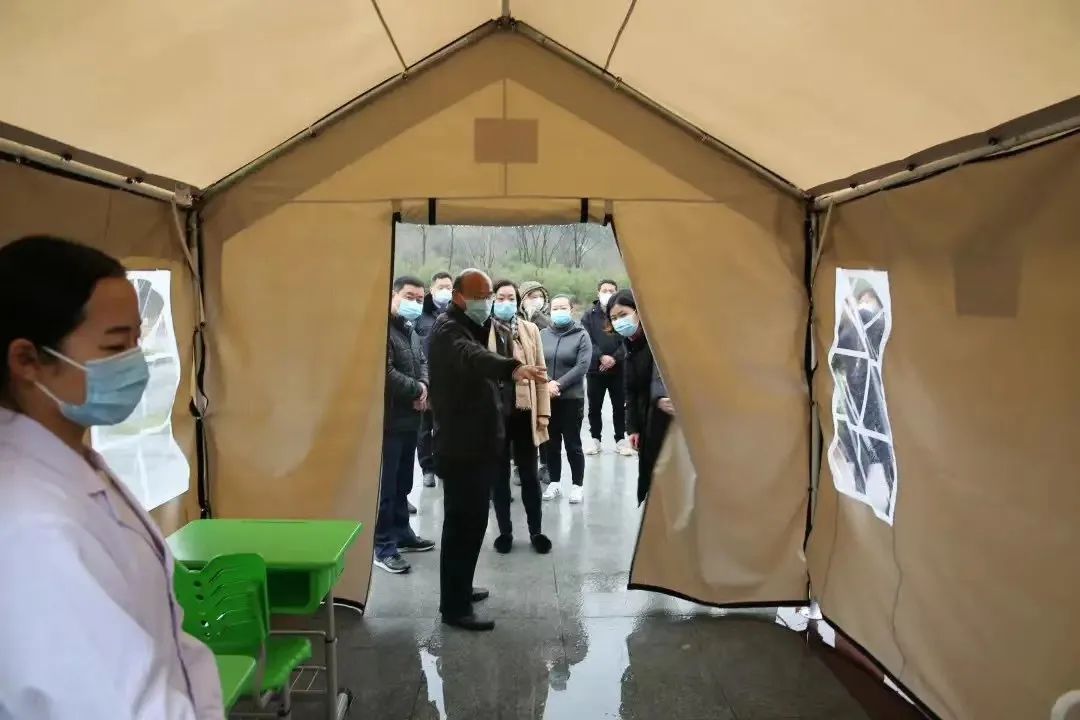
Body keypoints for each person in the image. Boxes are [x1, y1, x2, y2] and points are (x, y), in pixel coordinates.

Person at [0, 235, 224, 718]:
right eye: (116, 345)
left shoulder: (74, 463)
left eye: (137, 342)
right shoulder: (32, 526)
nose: (135, 362)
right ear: (27, 360)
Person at [427, 269, 548, 631]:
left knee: (473, 523)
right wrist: (513, 367)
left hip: (475, 445)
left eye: (489, 295)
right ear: (459, 297)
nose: (487, 301)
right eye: (480, 295)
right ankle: (455, 608)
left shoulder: (470, 324)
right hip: (461, 448)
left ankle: (461, 589)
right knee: (462, 527)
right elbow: (475, 358)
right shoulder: (449, 330)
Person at [375, 276, 438, 575]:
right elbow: (384, 371)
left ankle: (402, 533)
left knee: (403, 483)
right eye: (409, 296)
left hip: (410, 420)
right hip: (389, 421)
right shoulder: (381, 330)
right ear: (393, 295)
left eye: (419, 298)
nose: (414, 303)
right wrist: (416, 390)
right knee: (386, 488)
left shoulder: (409, 331)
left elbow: (422, 361)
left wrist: (423, 386)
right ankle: (383, 545)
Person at [489, 280, 553, 554]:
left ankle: (536, 531)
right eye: (500, 297)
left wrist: (543, 412)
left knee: (529, 475)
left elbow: (541, 373)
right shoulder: (482, 330)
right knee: (498, 477)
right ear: (492, 299)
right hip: (494, 417)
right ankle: (505, 532)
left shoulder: (529, 329)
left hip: (524, 414)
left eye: (511, 298)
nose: (506, 303)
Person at [607, 289, 675, 505]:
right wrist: (633, 428)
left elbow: (664, 377)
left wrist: (661, 397)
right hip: (645, 422)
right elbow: (631, 390)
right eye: (614, 318)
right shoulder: (629, 346)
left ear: (638, 311)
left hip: (666, 419)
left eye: (623, 314)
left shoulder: (658, 341)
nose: (619, 321)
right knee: (650, 476)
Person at [540, 295, 593, 504]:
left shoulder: (581, 335)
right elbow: (536, 361)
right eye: (555, 308)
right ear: (549, 310)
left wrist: (558, 384)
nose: (559, 311)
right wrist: (547, 383)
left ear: (571, 309)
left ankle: (577, 485)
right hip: (547, 397)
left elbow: (582, 366)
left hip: (571, 398)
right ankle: (554, 482)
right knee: (550, 443)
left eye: (563, 307)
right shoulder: (543, 334)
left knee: (573, 444)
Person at [581, 279, 632, 456]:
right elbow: (586, 339)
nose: (608, 293)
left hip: (619, 369)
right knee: (594, 407)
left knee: (620, 405)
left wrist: (615, 358)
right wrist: (601, 356)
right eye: (604, 290)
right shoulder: (589, 315)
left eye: (611, 290)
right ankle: (595, 439)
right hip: (595, 370)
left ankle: (620, 439)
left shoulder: (621, 313)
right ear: (598, 292)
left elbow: (627, 337)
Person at [415, 271, 453, 489]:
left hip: (449, 382)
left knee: (444, 428)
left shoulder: (457, 313)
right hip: (426, 379)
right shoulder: (420, 314)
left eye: (449, 287)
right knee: (424, 428)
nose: (445, 291)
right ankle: (427, 468)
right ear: (432, 289)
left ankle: (442, 465)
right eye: (441, 287)